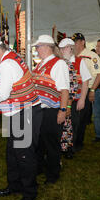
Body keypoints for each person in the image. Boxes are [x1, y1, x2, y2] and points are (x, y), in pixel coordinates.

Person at [0, 39, 42, 200]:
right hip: (21, 112)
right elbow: (8, 85)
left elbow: (3, 94)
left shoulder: (6, 65)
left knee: (24, 155)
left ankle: (30, 192)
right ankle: (14, 185)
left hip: (23, 113)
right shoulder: (13, 58)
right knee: (12, 152)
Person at [31, 35, 69, 181]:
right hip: (40, 111)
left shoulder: (58, 64)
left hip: (51, 111)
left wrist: (63, 110)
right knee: (39, 142)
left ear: (46, 47)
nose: (36, 49)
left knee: (51, 143)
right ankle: (39, 168)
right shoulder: (41, 64)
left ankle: (53, 174)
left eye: (38, 47)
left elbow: (64, 89)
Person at [58, 38, 91, 158]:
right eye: (60, 49)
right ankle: (62, 146)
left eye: (63, 48)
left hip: (76, 99)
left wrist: (82, 99)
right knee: (64, 124)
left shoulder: (79, 61)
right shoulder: (60, 61)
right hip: (62, 100)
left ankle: (71, 148)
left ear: (70, 49)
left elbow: (86, 81)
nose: (61, 51)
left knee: (74, 124)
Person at [71, 33, 100, 151]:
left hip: (86, 89)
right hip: (72, 90)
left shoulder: (91, 55)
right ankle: (71, 142)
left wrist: (93, 90)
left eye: (75, 42)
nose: (73, 44)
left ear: (82, 42)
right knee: (72, 118)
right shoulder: (71, 55)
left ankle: (77, 143)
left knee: (80, 119)